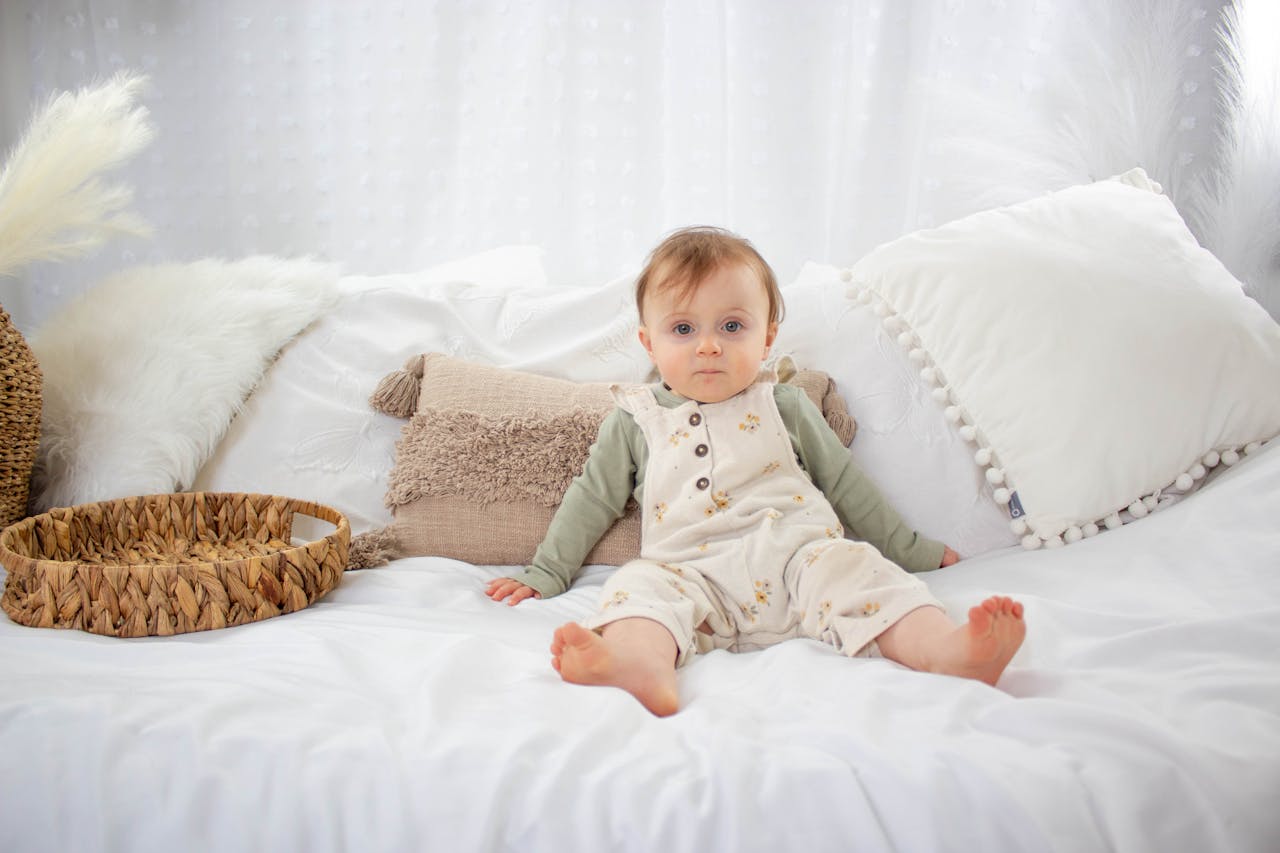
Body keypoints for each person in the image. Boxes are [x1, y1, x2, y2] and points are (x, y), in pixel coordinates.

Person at [486, 226, 1025, 716]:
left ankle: (945, 651)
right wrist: (546, 572)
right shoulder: (636, 419)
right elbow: (592, 500)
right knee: (639, 589)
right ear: (649, 342)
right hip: (691, 578)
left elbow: (845, 485)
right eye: (682, 328)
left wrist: (910, 549)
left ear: (766, 338)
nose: (709, 345)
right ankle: (639, 665)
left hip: (797, 560)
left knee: (860, 570)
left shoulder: (783, 404)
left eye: (731, 326)